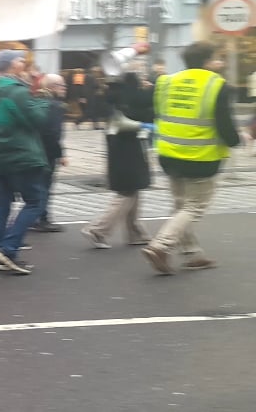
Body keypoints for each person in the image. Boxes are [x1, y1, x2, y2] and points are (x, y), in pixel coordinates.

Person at [141, 42, 240, 274]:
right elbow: (224, 124)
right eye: (217, 59)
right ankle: (161, 245)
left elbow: (155, 112)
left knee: (180, 205)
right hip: (200, 158)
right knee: (194, 207)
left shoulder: (166, 82)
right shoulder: (217, 85)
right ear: (207, 62)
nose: (220, 63)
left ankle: (192, 253)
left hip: (168, 154)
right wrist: (236, 141)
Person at [0, 50, 50, 275]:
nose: (24, 63)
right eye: (21, 59)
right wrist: (42, 97)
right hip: (20, 155)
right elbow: (38, 121)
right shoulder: (16, 92)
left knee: (1, 205)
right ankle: (8, 249)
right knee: (35, 202)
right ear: (11, 64)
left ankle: (0, 252)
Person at [82, 72, 154, 249]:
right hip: (129, 151)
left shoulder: (113, 98)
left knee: (132, 190)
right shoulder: (127, 101)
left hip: (119, 150)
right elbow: (136, 118)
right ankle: (98, 229)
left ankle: (136, 232)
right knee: (127, 192)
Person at [29, 74, 68, 233]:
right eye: (62, 85)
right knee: (45, 186)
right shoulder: (55, 106)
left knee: (38, 185)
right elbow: (53, 133)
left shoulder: (37, 100)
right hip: (47, 152)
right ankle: (41, 219)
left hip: (35, 149)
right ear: (53, 87)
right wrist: (60, 154)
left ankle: (35, 217)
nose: (65, 89)